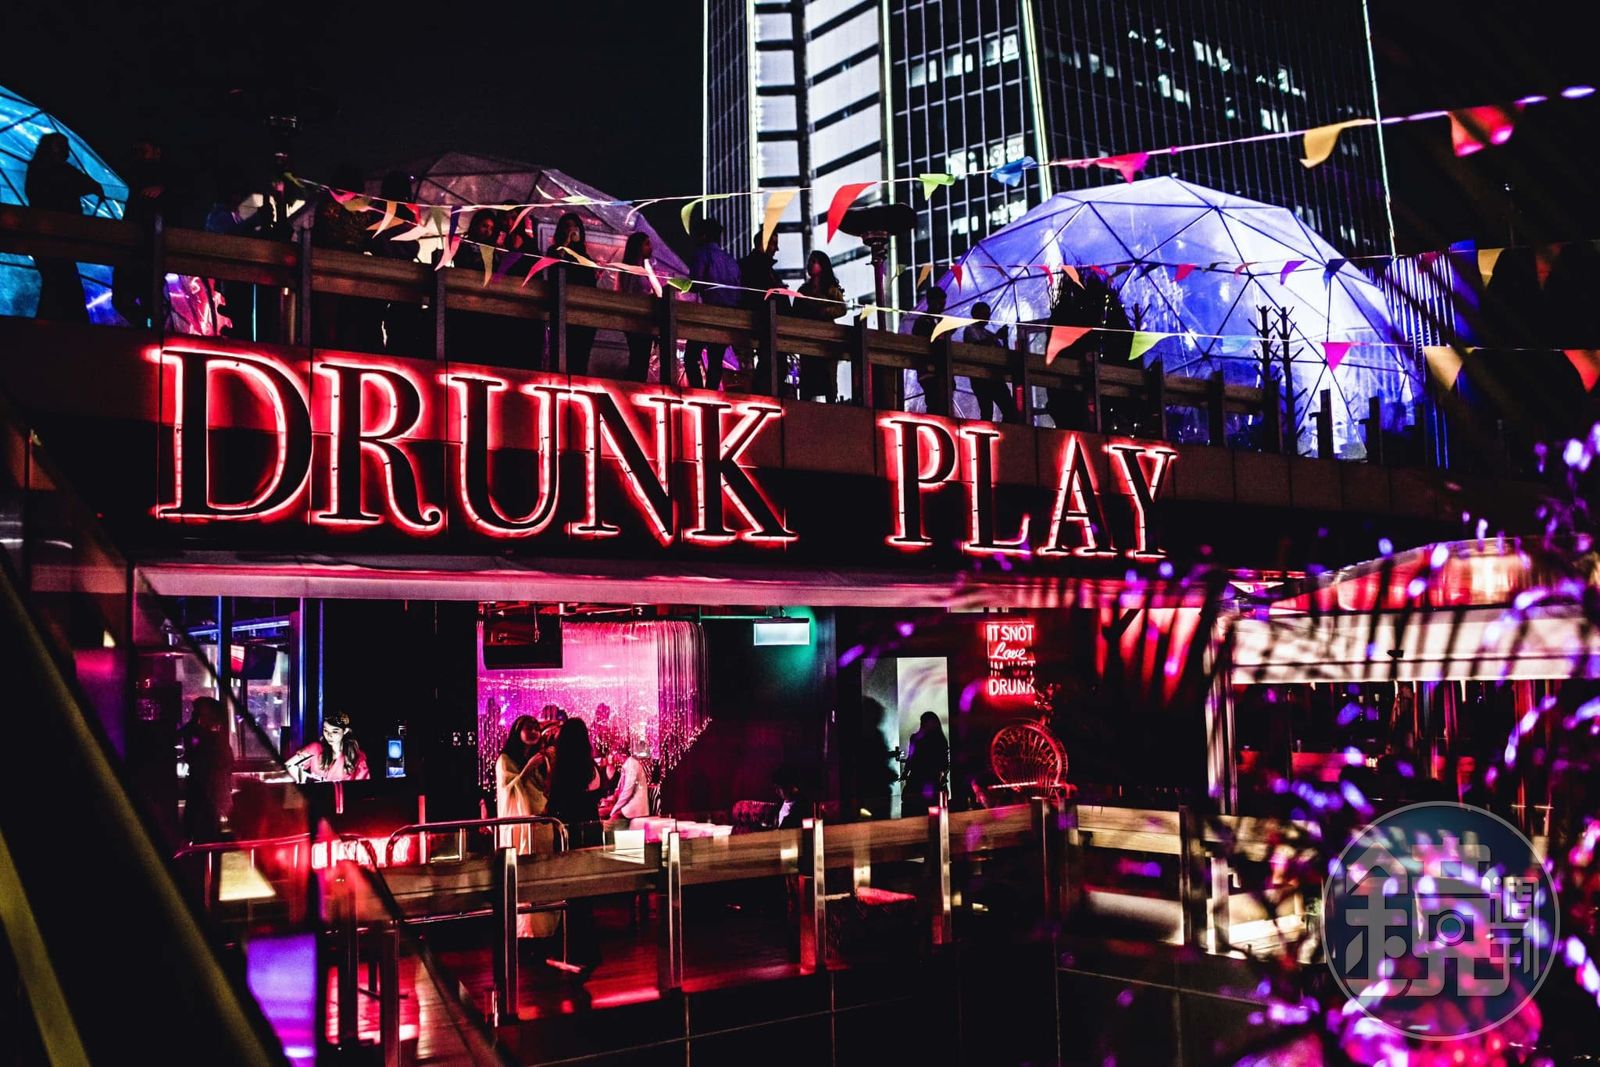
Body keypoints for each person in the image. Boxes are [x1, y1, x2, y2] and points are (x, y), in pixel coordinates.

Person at [546, 717, 606, 973]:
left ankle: (572, 950)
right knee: (585, 893)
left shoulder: (563, 768)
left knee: (570, 890)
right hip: (591, 830)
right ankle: (587, 949)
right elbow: (598, 792)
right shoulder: (591, 767)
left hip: (569, 832)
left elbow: (555, 802)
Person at [495, 715, 560, 940]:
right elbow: (507, 791)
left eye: (536, 728)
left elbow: (546, 789)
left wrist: (547, 765)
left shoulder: (541, 758)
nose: (533, 732)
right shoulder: (505, 760)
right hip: (519, 826)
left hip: (541, 823)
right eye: (528, 728)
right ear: (517, 732)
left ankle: (546, 929)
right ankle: (524, 929)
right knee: (523, 873)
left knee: (542, 872)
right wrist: (527, 770)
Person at [25, 133, 102, 322]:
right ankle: (71, 325)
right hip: (55, 237)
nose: (65, 150)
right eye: (60, 146)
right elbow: (90, 185)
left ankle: (49, 325)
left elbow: (89, 185)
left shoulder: (43, 169)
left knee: (56, 283)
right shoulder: (56, 171)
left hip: (50, 237)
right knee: (62, 283)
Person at [113, 137, 173, 329]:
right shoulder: (142, 172)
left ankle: (144, 328)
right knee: (137, 297)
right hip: (140, 245)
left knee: (139, 296)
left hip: (145, 246)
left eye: (143, 150)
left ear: (157, 151)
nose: (139, 155)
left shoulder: (161, 177)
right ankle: (145, 328)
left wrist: (164, 188)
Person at [683, 217, 742, 390]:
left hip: (708, 315)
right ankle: (711, 395)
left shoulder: (702, 254)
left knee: (691, 356)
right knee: (716, 360)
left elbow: (696, 283)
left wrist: (681, 286)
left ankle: (698, 392)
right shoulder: (730, 260)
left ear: (703, 236)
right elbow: (739, 291)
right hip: (728, 317)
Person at [547, 212, 599, 375]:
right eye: (568, 227)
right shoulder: (554, 250)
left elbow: (590, 284)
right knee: (563, 355)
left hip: (585, 313)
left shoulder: (585, 257)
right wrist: (565, 244)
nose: (573, 230)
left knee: (581, 359)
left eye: (575, 227)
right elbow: (554, 271)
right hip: (563, 310)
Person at [793, 250, 846, 401]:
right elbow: (796, 312)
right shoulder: (803, 290)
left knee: (829, 380)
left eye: (814, 261)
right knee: (807, 380)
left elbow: (841, 308)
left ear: (822, 266)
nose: (810, 265)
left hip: (826, 339)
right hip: (808, 338)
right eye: (810, 261)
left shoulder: (830, 289)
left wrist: (824, 312)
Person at [180, 696, 234, 843]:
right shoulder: (217, 741)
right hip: (208, 798)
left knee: (204, 838)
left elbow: (193, 757)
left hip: (206, 798)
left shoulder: (210, 741)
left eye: (197, 713)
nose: (195, 716)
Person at [960, 301, 1021, 423]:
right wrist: (996, 337)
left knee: (1009, 409)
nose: (988, 316)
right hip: (981, 378)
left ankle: (1003, 430)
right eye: (985, 313)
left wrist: (1004, 339)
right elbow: (978, 347)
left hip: (995, 377)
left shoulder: (988, 333)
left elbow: (1002, 353)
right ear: (976, 314)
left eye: (988, 313)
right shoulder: (970, 330)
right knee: (987, 410)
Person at [286, 710, 370, 782]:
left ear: (345, 731)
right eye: (325, 730)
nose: (329, 735)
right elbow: (288, 766)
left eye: (335, 731)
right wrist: (304, 778)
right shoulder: (314, 749)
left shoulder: (357, 757)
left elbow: (362, 788)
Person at [617, 232, 658, 382]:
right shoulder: (631, 269)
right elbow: (628, 292)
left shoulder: (643, 269)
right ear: (637, 247)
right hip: (636, 320)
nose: (650, 247)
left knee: (641, 359)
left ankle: (635, 384)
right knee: (638, 358)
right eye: (646, 244)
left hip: (644, 320)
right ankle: (633, 385)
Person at [902, 712, 949, 817]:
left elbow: (911, 757)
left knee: (916, 808)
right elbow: (945, 763)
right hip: (929, 778)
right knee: (930, 809)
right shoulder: (940, 739)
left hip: (920, 778)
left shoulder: (917, 738)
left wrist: (905, 772)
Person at [602, 746, 650, 825]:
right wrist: (610, 800)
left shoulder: (631, 764)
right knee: (601, 812)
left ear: (621, 754)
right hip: (626, 805)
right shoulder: (626, 765)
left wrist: (614, 810)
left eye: (614, 754)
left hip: (633, 807)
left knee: (608, 825)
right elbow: (620, 789)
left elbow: (627, 792)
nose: (613, 757)